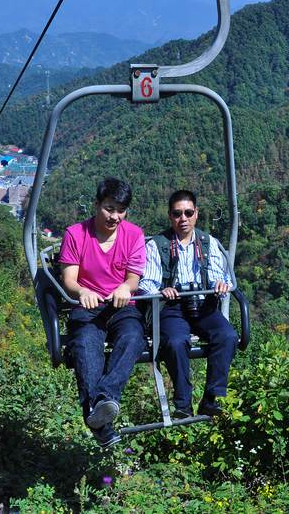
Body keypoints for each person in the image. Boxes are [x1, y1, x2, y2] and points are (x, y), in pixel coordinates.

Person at [58, 177, 147, 448]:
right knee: (86, 344)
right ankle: (102, 422)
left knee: (133, 337)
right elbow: (69, 279)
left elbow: (133, 280)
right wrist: (82, 292)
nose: (115, 216)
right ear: (97, 205)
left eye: (120, 211)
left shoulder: (134, 235)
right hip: (88, 307)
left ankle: (100, 402)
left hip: (120, 307)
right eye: (109, 209)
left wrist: (125, 288)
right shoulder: (76, 234)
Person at [139, 190, 237, 418]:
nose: (183, 218)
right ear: (170, 216)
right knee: (175, 341)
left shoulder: (207, 243)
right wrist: (161, 291)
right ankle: (183, 402)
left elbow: (220, 275)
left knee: (228, 336)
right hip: (171, 307)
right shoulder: (158, 245)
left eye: (188, 213)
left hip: (203, 303)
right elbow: (147, 283)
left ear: (196, 214)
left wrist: (220, 285)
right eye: (177, 214)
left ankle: (211, 398)